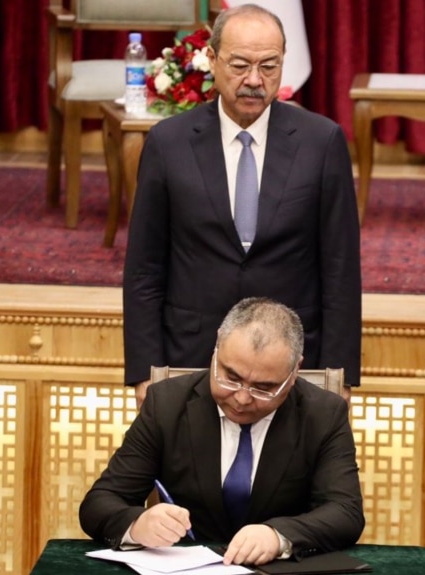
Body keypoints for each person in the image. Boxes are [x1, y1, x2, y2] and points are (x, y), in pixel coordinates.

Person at [123, 4, 361, 408]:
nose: (254, 80)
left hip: (292, 364)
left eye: (269, 66)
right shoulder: (169, 143)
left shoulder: (321, 143)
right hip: (190, 358)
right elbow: (145, 268)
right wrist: (146, 371)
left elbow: (340, 268)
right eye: (240, 65)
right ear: (212, 60)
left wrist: (339, 376)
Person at [79, 297, 365, 566]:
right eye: (231, 377)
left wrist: (277, 536)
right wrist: (138, 524)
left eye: (263, 388)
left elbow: (345, 512)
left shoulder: (323, 414)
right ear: (216, 347)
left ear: (294, 372)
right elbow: (99, 504)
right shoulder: (166, 404)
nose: (241, 398)